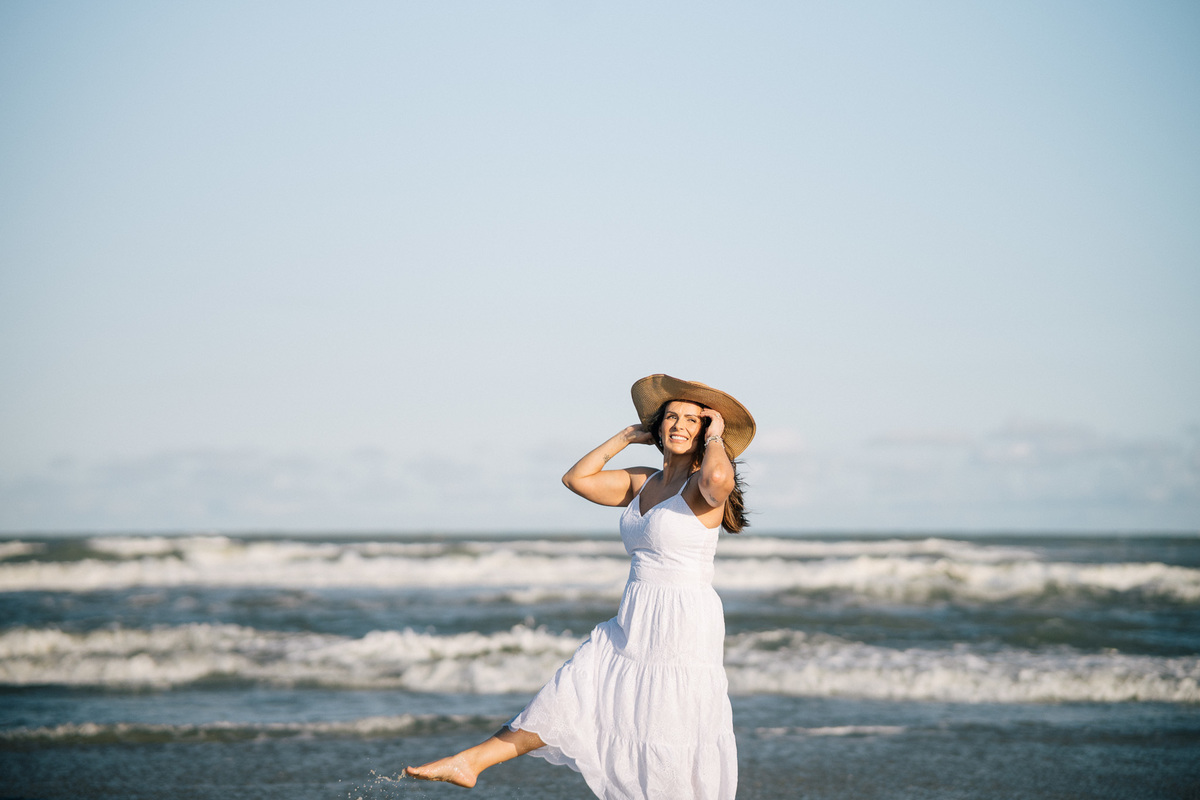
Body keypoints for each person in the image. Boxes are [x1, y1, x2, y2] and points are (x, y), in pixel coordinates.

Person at [406, 374, 754, 799]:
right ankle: (471, 762)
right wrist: (626, 436)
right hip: (635, 617)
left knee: (667, 729)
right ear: (657, 427)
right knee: (573, 689)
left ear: (703, 431)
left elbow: (720, 481)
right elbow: (577, 479)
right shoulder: (643, 482)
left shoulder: (701, 486)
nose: (679, 425)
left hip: (680, 622)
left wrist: (718, 436)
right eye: (670, 417)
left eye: (691, 420)